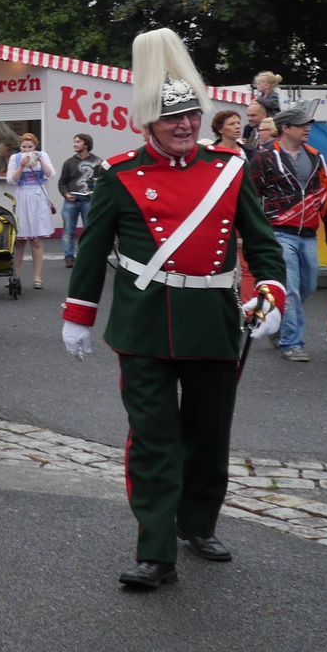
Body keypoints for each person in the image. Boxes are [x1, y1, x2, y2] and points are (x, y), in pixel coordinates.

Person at [62, 29, 286, 589]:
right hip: (144, 323)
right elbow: (92, 251)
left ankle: (198, 523)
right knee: (154, 438)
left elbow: (261, 243)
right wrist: (78, 315)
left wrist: (271, 293)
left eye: (190, 115)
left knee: (209, 436)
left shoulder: (229, 168)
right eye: (171, 118)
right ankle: (156, 549)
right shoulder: (119, 174)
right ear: (148, 123)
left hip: (213, 319)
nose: (184, 125)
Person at [248, 101, 327, 363]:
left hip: (308, 233)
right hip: (279, 232)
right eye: (301, 125)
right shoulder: (264, 157)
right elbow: (250, 195)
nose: (307, 129)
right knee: (292, 290)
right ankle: (292, 342)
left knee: (308, 286)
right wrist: (252, 230)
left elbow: (326, 198)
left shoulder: (316, 157)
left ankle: (277, 317)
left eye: (308, 124)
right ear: (285, 128)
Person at [6, 133, 56, 288]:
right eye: (24, 147)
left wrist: (40, 160)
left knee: (37, 240)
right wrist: (21, 166)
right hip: (23, 196)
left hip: (38, 197)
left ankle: (37, 277)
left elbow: (51, 175)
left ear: (35, 147)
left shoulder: (42, 156)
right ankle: (16, 275)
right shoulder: (15, 158)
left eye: (30, 147)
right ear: (20, 147)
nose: (27, 150)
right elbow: (11, 180)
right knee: (20, 240)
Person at [57, 133, 102, 267]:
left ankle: (86, 257)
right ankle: (69, 258)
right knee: (68, 231)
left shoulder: (98, 162)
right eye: (74, 142)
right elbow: (62, 182)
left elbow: (103, 181)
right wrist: (66, 194)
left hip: (89, 201)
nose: (74, 144)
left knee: (89, 231)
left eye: (78, 142)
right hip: (71, 201)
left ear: (86, 144)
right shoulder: (69, 162)